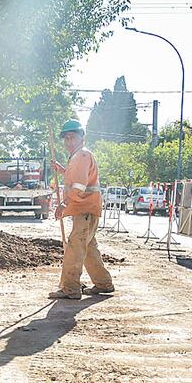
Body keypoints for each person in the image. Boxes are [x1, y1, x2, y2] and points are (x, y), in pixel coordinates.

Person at [48, 119, 113, 300]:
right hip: (87, 208)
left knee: (75, 247)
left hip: (85, 208)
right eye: (66, 138)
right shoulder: (78, 156)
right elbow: (76, 177)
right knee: (89, 248)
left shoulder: (82, 156)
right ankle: (104, 283)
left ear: (82, 137)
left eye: (72, 137)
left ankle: (70, 288)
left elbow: (79, 187)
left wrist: (64, 204)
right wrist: (63, 170)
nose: (69, 141)